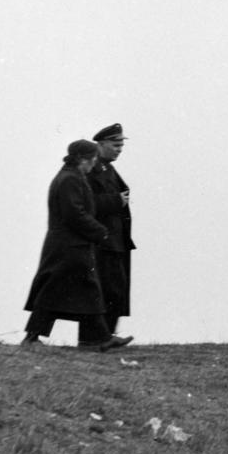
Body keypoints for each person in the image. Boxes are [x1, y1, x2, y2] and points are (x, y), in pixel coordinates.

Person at [21, 140, 131, 351]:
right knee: (81, 288)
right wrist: (100, 232)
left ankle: (100, 337)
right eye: (92, 160)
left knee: (78, 290)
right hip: (69, 245)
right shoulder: (70, 180)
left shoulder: (71, 177)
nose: (94, 164)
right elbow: (75, 214)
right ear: (82, 159)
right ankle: (100, 337)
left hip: (69, 244)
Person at [87, 124, 134, 336]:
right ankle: (98, 337)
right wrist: (115, 201)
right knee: (104, 290)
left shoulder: (108, 168)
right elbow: (84, 202)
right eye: (116, 145)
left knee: (116, 289)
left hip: (116, 239)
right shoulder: (91, 168)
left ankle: (107, 335)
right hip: (102, 240)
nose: (120, 149)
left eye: (121, 145)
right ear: (102, 144)